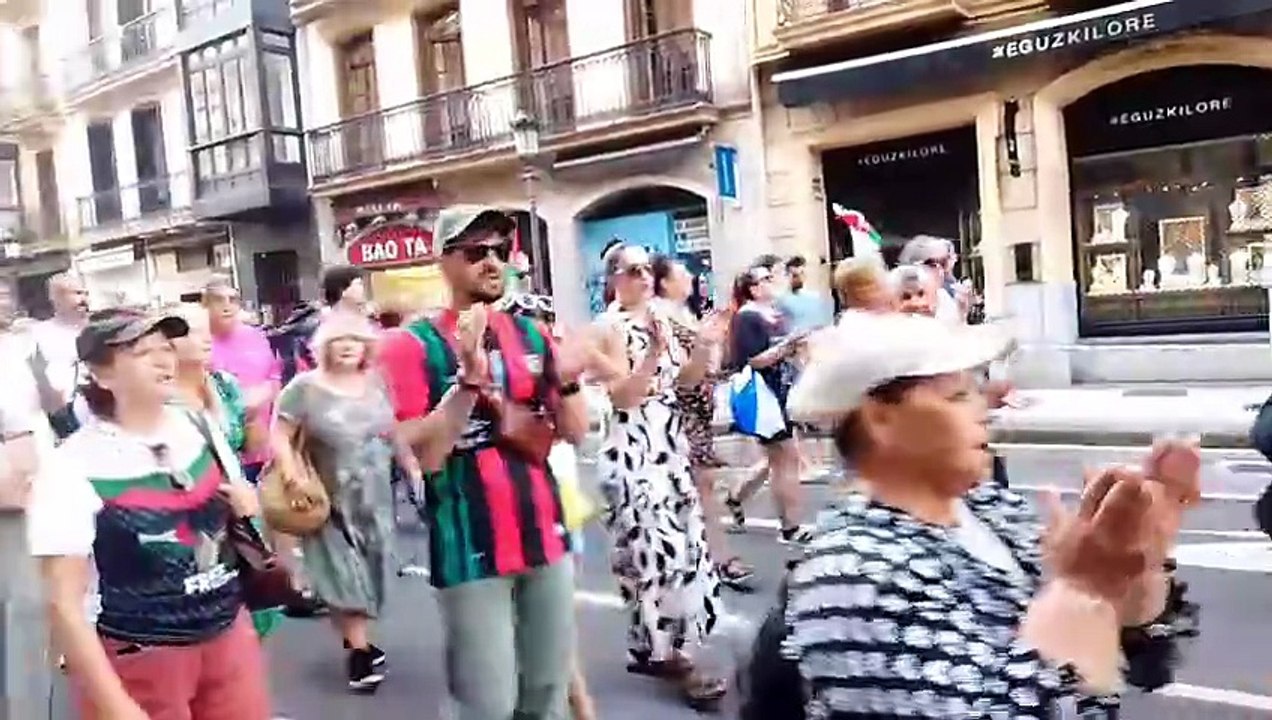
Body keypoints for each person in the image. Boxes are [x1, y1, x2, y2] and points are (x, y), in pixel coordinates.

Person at [742, 310, 1200, 719]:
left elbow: (1131, 658)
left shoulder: (990, 508)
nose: (983, 411)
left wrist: (1137, 565)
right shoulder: (849, 570)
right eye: (958, 396)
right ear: (882, 419)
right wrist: (1084, 590)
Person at [378, 205, 596, 720]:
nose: (494, 262)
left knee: (547, 692)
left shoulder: (532, 334)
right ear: (445, 261)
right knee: (487, 702)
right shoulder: (412, 346)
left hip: (545, 534)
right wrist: (468, 381)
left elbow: (575, 431)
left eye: (502, 251)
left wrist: (565, 381)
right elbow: (425, 455)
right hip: (470, 547)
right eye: (477, 252)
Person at [28, 308, 272, 720]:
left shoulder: (197, 424)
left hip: (228, 634)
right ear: (102, 375)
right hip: (140, 653)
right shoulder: (71, 466)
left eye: (166, 348)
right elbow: (64, 605)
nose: (164, 361)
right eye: (143, 353)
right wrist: (116, 705)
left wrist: (248, 505)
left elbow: (240, 502)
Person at [594, 244, 727, 710]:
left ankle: (661, 647)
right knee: (655, 552)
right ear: (613, 278)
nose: (645, 277)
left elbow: (685, 383)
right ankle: (679, 657)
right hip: (632, 450)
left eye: (648, 268)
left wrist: (705, 344)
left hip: (668, 445)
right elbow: (624, 397)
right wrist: (650, 351)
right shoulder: (607, 328)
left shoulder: (664, 321)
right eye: (633, 270)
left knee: (685, 545)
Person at [272, 311, 418, 693]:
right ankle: (359, 653)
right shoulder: (304, 388)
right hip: (326, 497)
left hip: (375, 497)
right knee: (342, 573)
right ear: (323, 348)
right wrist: (290, 473)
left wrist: (411, 465)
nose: (348, 347)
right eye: (339, 341)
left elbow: (391, 430)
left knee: (371, 571)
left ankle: (358, 636)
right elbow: (280, 433)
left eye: (355, 340)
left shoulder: (377, 382)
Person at [170, 303, 286, 640]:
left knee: (252, 606)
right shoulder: (161, 400)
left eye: (206, 329)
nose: (204, 339)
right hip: (197, 516)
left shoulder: (224, 385)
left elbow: (250, 445)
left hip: (241, 504)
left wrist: (258, 417)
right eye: (191, 331)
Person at [651, 254, 753, 591]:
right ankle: (715, 559)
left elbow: (709, 366)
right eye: (683, 274)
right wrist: (706, 342)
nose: (691, 279)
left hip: (698, 410)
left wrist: (715, 340)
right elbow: (683, 375)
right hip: (680, 412)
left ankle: (701, 558)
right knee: (697, 488)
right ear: (664, 282)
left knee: (697, 488)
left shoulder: (685, 314)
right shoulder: (661, 317)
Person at [724, 265, 810, 544]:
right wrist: (787, 346)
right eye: (766, 278)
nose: (772, 282)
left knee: (777, 459)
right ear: (753, 288)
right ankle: (790, 527)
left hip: (781, 391)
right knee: (785, 459)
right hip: (765, 395)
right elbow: (754, 359)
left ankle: (736, 497)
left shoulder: (773, 313)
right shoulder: (747, 318)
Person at [30, 272, 91, 437]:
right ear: (55, 298)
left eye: (86, 293)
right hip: (63, 419)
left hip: (103, 411)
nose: (84, 299)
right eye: (77, 293)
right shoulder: (38, 334)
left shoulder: (97, 329)